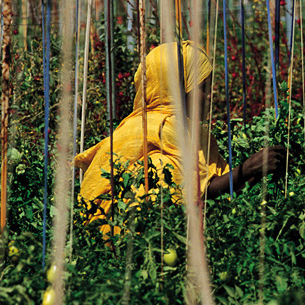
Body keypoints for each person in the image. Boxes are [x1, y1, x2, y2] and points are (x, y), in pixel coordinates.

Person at [74, 41, 285, 219]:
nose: (210, 96)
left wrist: (259, 170)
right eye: (203, 88)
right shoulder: (149, 131)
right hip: (126, 241)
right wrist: (245, 170)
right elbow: (187, 192)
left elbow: (221, 189)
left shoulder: (196, 134)